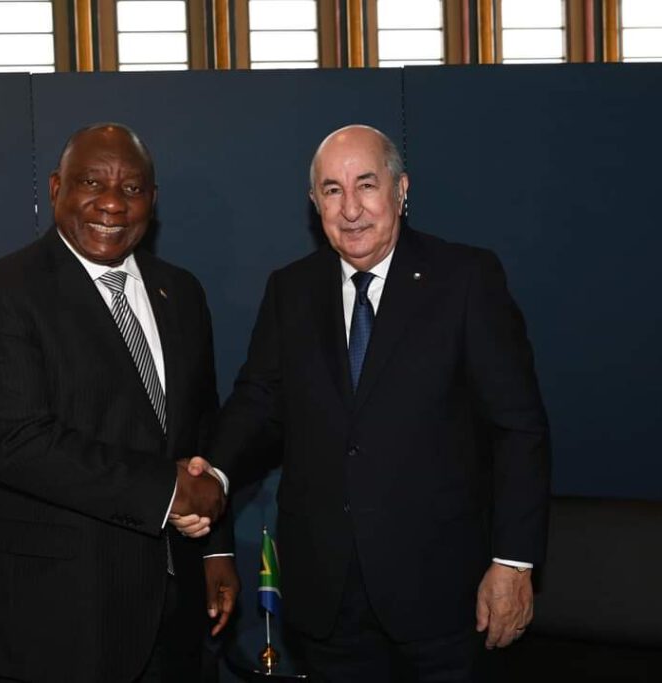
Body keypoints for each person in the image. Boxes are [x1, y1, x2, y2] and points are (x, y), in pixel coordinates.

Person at [176, 124, 550, 682]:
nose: (350, 209)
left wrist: (514, 562)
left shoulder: (466, 279)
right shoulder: (291, 290)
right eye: (332, 190)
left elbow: (518, 428)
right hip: (327, 601)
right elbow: (259, 401)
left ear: (401, 189)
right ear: (314, 202)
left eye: (367, 185)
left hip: (446, 595)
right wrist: (215, 474)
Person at [0, 123, 239, 683]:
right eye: (91, 183)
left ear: (153, 201)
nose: (111, 203)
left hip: (175, 613)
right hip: (59, 623)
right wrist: (168, 490)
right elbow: (16, 444)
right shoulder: (1, 292)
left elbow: (199, 430)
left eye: (132, 189)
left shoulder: (181, 291)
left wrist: (213, 548)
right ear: (56, 187)